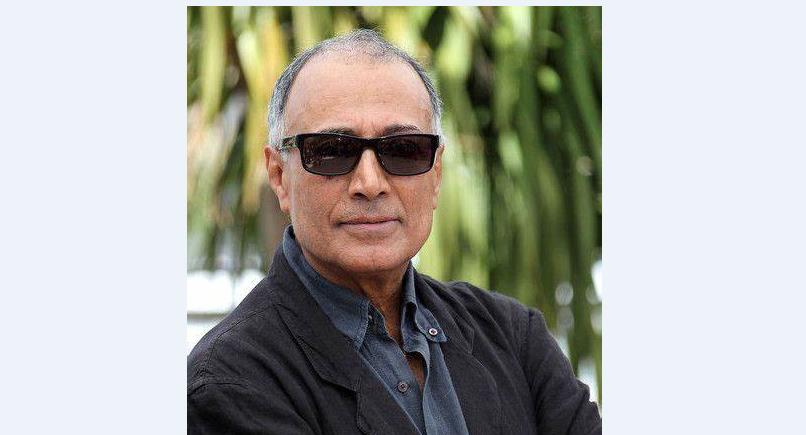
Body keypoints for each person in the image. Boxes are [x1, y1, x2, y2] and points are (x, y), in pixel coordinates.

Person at [187, 29, 602, 435]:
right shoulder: (230, 381)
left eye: (404, 149)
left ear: (436, 174)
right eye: (331, 151)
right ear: (279, 176)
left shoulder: (513, 337)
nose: (370, 183)